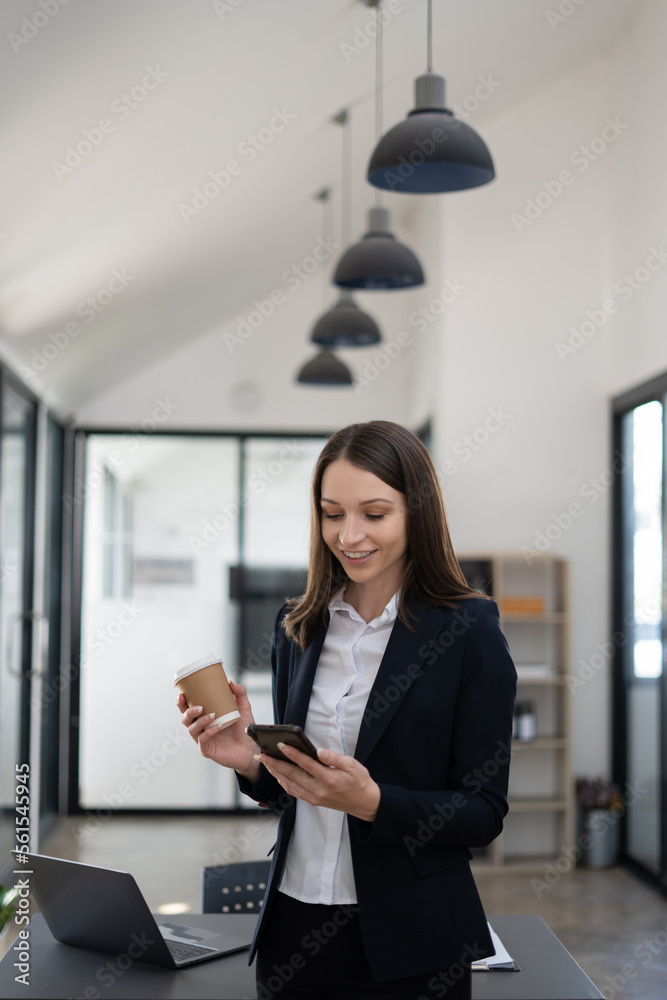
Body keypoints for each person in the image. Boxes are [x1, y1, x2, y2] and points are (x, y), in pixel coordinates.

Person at [178, 420, 517, 999]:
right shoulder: (299, 626)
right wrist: (251, 764)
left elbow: (483, 812)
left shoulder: (468, 631)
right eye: (332, 514)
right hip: (294, 932)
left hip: (412, 944)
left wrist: (374, 803)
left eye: (375, 514)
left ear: (418, 513)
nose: (350, 534)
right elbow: (298, 792)